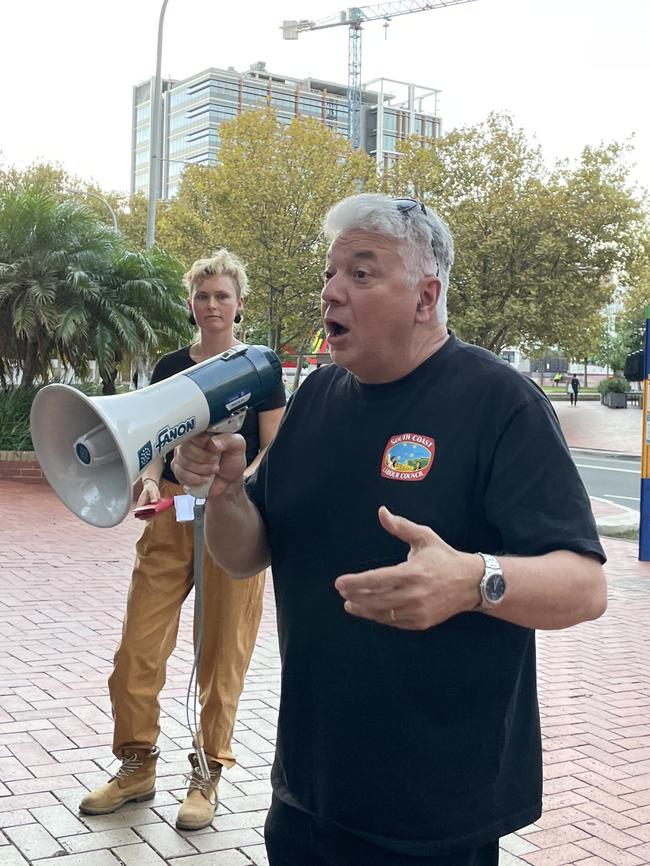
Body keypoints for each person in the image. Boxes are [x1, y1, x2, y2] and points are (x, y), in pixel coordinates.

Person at [172, 194, 607, 865]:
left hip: (437, 814)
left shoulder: (501, 403)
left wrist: (475, 581)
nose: (332, 292)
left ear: (426, 298)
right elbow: (243, 555)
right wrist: (223, 493)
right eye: (329, 273)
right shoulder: (316, 397)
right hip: (307, 797)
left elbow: (584, 587)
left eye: (362, 274)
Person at [79, 249, 286, 831]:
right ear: (191, 303)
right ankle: (136, 764)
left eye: (223, 295)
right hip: (171, 517)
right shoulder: (172, 365)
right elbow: (151, 446)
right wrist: (146, 483)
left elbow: (275, 444)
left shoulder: (259, 370)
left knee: (223, 653)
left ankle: (207, 771)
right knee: (136, 651)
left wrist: (236, 483)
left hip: (233, 518)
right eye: (203, 295)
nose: (212, 305)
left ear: (239, 304)